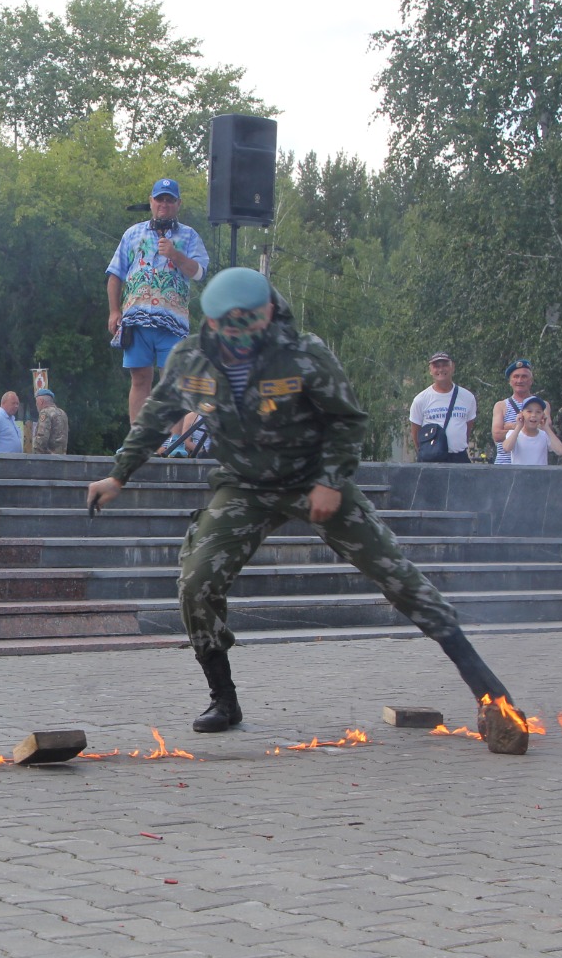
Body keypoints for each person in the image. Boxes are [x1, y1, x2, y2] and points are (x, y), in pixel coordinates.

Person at [85, 267, 527, 752]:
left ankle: (490, 693)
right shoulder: (192, 359)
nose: (235, 335)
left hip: (313, 479)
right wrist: (118, 475)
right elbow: (154, 417)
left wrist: (331, 481)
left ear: (266, 314)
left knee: (396, 574)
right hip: (245, 486)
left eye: (246, 322)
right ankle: (223, 699)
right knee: (196, 581)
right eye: (224, 324)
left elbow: (346, 421)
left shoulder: (303, 354)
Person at [106, 178, 209, 425]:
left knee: (171, 382)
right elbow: (115, 274)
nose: (164, 204)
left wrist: (174, 254)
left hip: (172, 322)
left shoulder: (189, 236)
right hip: (136, 319)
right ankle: (138, 437)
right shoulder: (132, 233)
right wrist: (114, 311)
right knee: (140, 379)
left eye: (169, 200)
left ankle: (174, 442)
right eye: (160, 199)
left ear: (178, 203)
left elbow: (199, 273)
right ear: (151, 201)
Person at [408, 352, 476, 463]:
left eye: (445, 365)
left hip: (459, 458)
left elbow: (468, 428)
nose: (441, 369)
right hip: (432, 460)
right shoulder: (420, 399)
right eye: (436, 366)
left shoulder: (467, 397)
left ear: (452, 367)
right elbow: (416, 433)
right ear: (430, 370)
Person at [490, 359, 537, 465]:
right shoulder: (501, 405)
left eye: (524, 376)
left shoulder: (542, 405)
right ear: (510, 382)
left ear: (531, 380)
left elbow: (544, 432)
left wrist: (510, 426)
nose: (520, 380)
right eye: (516, 376)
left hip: (532, 465)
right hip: (504, 465)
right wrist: (528, 427)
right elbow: (497, 435)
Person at [499, 395, 562, 465]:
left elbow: (561, 451)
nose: (533, 415)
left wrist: (546, 428)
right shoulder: (513, 434)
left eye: (538, 412)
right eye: (529, 411)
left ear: (542, 415)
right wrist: (518, 427)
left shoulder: (545, 435)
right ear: (522, 413)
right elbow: (506, 448)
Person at [33, 388, 69, 455]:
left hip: (48, 458)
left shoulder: (45, 412)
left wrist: (36, 455)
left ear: (41, 401)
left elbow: (42, 438)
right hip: (62, 457)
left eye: (36, 402)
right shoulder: (62, 413)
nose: (36, 405)